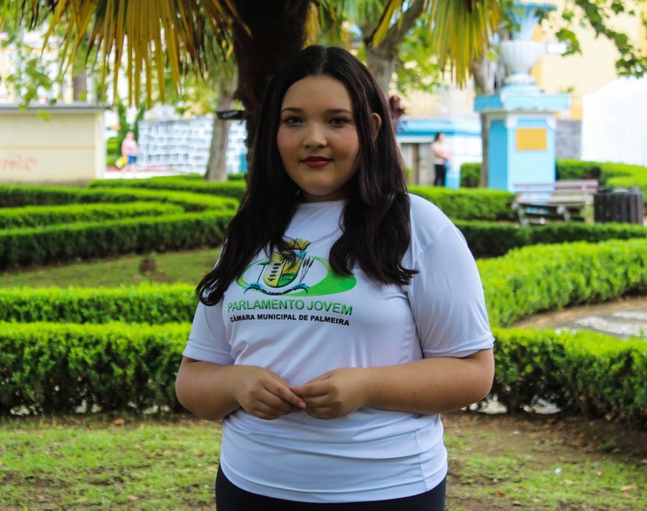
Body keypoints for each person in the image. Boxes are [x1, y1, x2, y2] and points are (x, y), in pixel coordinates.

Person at [175, 45, 494, 510]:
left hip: (385, 492)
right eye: (294, 120)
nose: (314, 138)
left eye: (337, 121)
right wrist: (237, 383)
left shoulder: (418, 227)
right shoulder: (250, 231)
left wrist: (366, 387)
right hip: (250, 488)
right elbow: (193, 381)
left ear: (372, 128)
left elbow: (473, 372)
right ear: (273, 132)